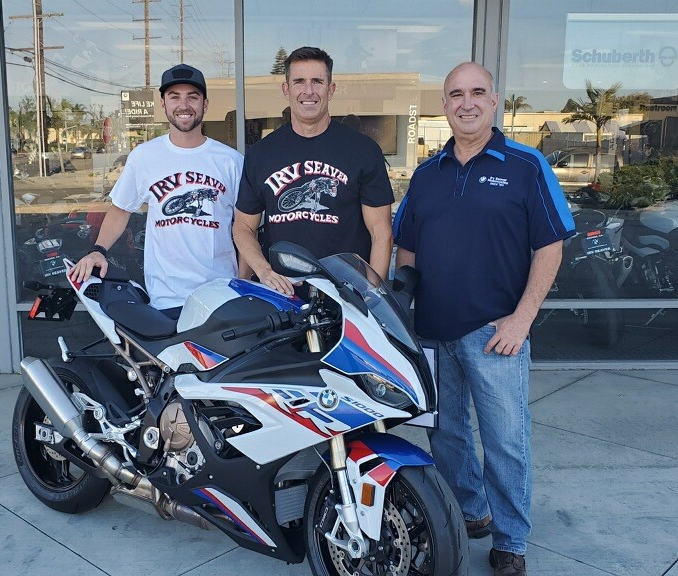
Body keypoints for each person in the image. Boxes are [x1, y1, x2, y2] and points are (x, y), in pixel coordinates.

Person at [393, 62, 574, 576]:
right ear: (445, 105)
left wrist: (522, 319)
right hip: (432, 333)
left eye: (477, 92)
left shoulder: (525, 164)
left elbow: (550, 246)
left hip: (497, 334)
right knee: (445, 436)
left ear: (494, 100)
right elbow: (407, 248)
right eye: (455, 94)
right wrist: (404, 314)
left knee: (505, 443)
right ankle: (471, 513)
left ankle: (511, 540)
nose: (466, 102)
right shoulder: (427, 174)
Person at [69, 64, 244, 318]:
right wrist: (98, 250)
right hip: (166, 298)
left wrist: (242, 283)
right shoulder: (145, 156)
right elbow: (120, 209)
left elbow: (245, 228)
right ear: (163, 104)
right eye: (175, 97)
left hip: (221, 297)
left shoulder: (231, 160)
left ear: (205, 104)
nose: (184, 105)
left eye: (192, 97)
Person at [232, 46, 393, 295]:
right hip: (284, 293)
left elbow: (381, 232)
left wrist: (372, 295)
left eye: (317, 81)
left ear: (331, 89)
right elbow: (243, 226)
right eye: (299, 82)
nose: (309, 91)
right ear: (286, 89)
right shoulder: (261, 153)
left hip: (346, 293)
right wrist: (264, 271)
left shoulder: (363, 150)